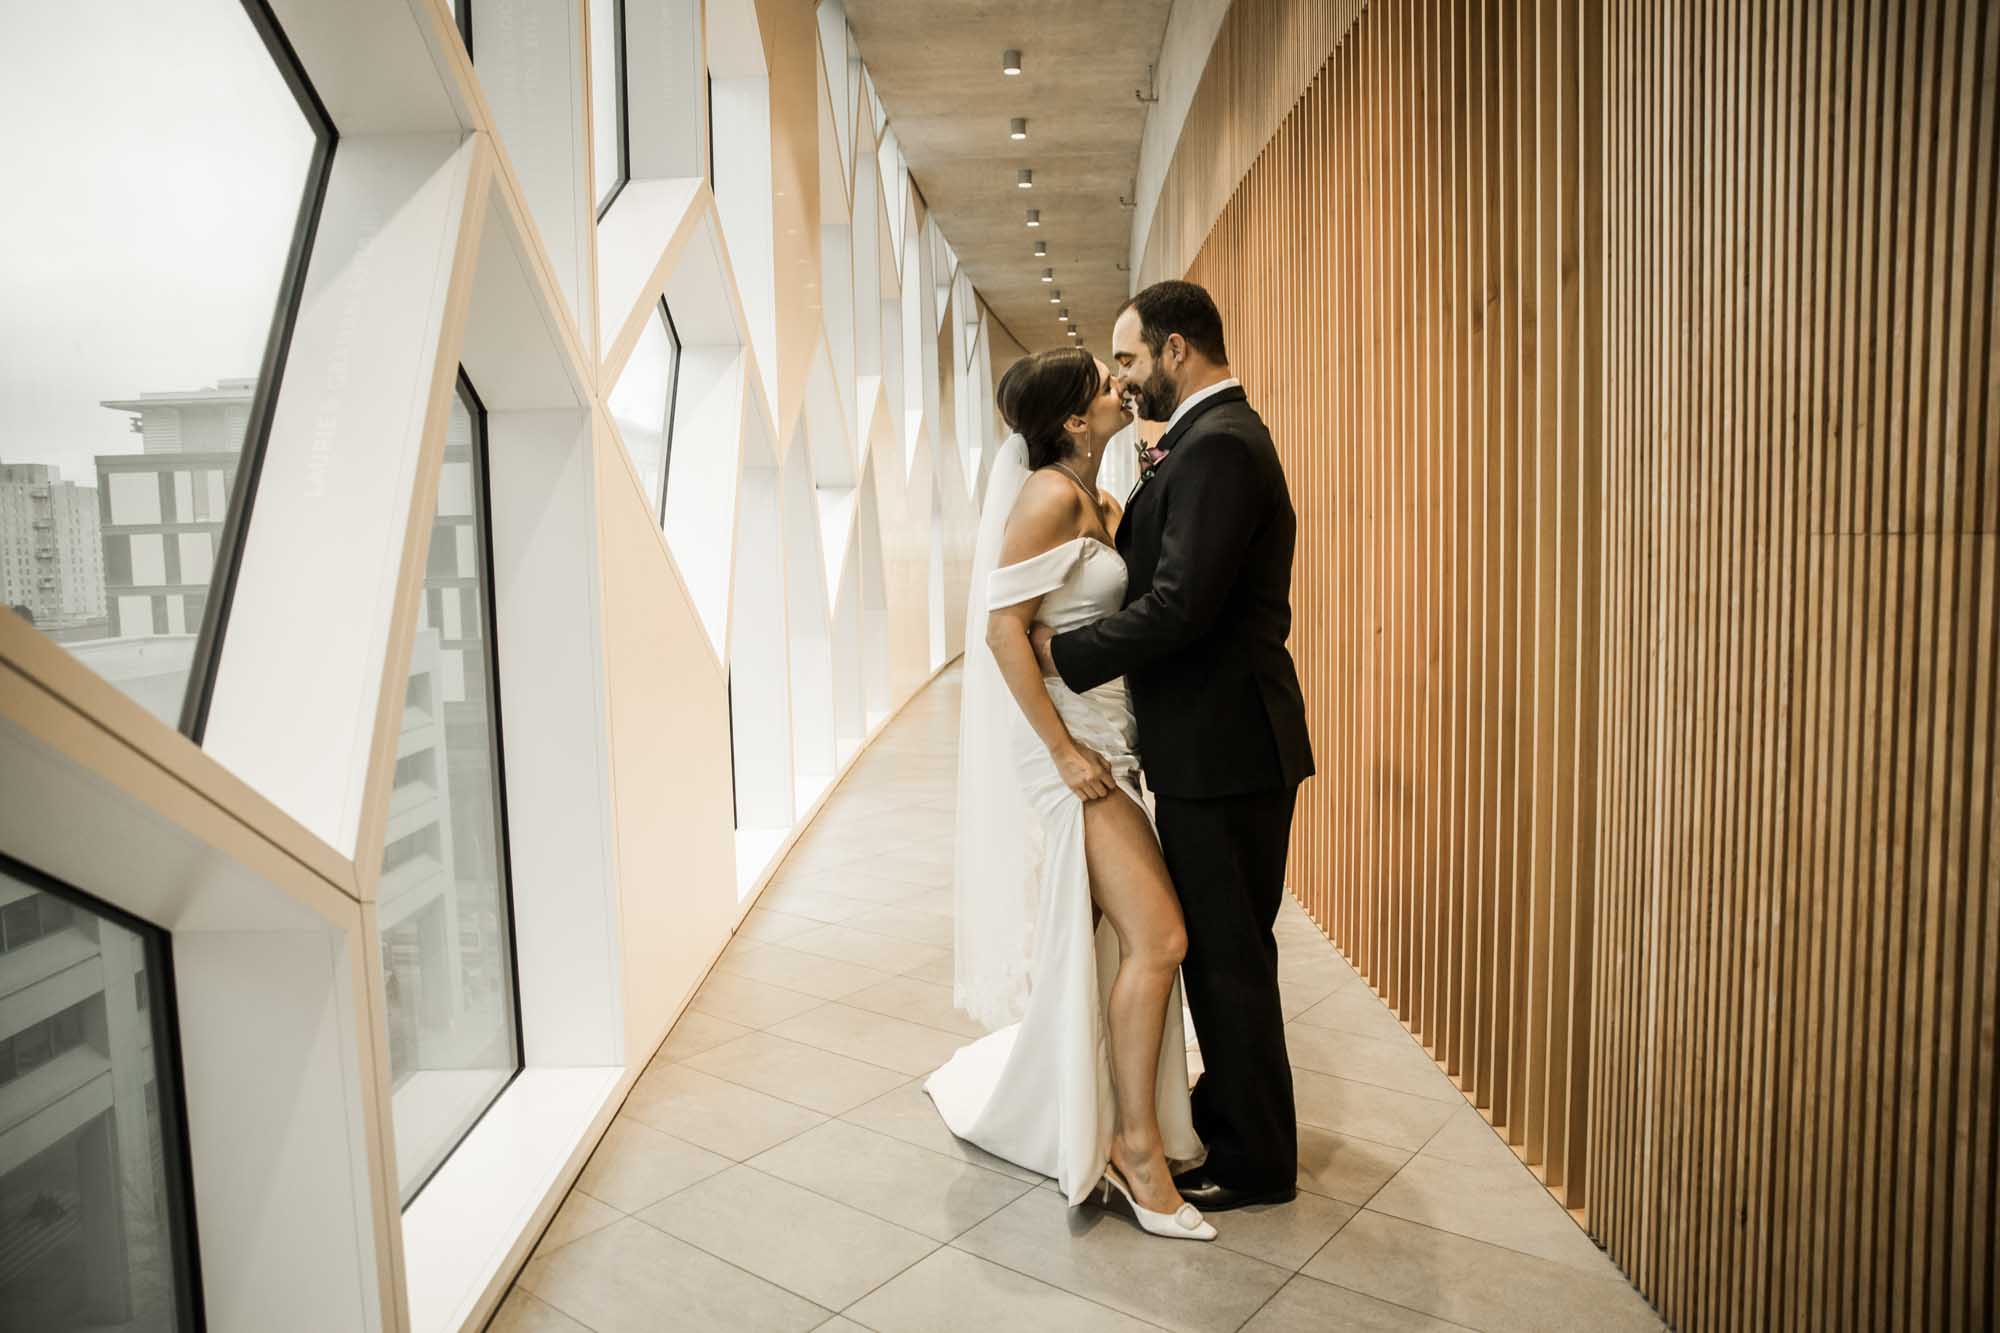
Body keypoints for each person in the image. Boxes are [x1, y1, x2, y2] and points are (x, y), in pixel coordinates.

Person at [1031, 280, 1314, 1212]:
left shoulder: (1222, 446)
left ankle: (1256, 1155)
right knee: (1224, 951)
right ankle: (1233, 1110)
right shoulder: (1200, 442)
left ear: (1177, 349)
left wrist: (1065, 653)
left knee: (1227, 955)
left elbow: (1183, 605)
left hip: (1227, 749)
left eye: (1130, 356)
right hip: (1214, 744)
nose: (1123, 374)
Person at [926, 347, 1215, 1242]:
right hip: (1072, 752)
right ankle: (1132, 1148)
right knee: (1159, 935)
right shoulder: (1049, 497)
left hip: (1108, 741)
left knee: (1111, 940)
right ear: (1072, 420)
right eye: (1101, 382)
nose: (1117, 386)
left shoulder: (1098, 498)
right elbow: (1002, 632)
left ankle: (1105, 1108)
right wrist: (1061, 756)